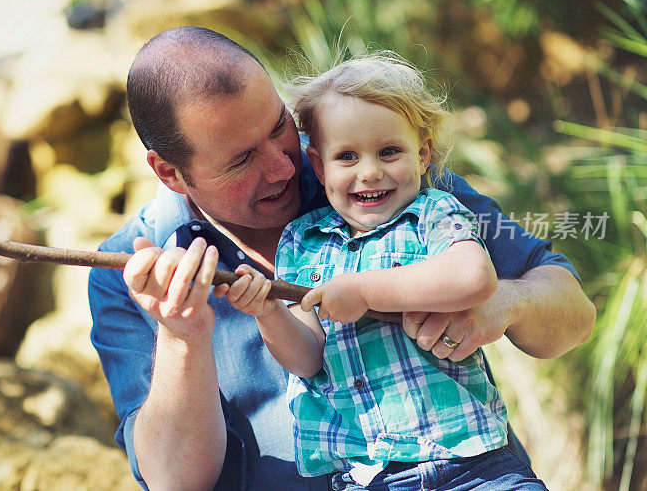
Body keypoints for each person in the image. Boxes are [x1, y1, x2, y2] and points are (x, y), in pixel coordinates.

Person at [87, 26, 595, 490]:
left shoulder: (372, 168)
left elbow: (574, 313)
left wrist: (506, 302)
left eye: (279, 126)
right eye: (241, 159)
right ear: (170, 173)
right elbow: (175, 481)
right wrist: (182, 334)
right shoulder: (127, 273)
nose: (284, 166)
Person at [223, 53, 548, 489]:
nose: (371, 172)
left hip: (470, 464)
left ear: (423, 153)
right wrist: (267, 313)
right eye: (347, 157)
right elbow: (307, 357)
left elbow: (473, 277)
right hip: (368, 477)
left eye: (390, 151)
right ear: (318, 167)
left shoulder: (433, 213)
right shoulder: (301, 242)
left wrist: (365, 290)